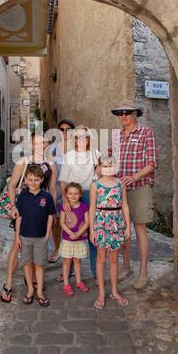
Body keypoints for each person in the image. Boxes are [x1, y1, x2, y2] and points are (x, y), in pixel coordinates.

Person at [0, 132, 57, 303]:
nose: (40, 144)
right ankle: (8, 282)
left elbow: (52, 189)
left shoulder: (51, 164)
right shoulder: (23, 162)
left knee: (37, 242)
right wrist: (14, 206)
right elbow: (11, 186)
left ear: (46, 144)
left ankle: (31, 279)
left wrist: (52, 213)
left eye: (43, 142)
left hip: (41, 208)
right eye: (37, 142)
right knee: (17, 245)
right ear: (31, 144)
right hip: (24, 207)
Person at [110, 100, 159, 290]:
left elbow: (152, 162)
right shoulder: (115, 136)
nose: (123, 116)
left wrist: (134, 177)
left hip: (140, 186)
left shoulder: (146, 133)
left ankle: (144, 272)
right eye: (120, 112)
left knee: (140, 229)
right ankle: (126, 267)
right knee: (123, 229)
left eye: (127, 112)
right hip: (119, 188)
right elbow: (109, 160)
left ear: (135, 114)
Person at [59, 125, 101, 282]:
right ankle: (68, 271)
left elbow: (101, 174)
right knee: (71, 230)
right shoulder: (69, 156)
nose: (81, 139)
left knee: (92, 232)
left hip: (90, 195)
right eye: (78, 137)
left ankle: (96, 272)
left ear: (89, 138)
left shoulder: (96, 154)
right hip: (72, 195)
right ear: (74, 140)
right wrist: (65, 199)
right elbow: (63, 179)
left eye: (84, 136)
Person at [89, 156, 130, 309]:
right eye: (105, 165)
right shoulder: (95, 185)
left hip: (116, 222)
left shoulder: (120, 184)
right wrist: (92, 230)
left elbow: (125, 205)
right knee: (101, 259)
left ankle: (114, 291)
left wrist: (127, 226)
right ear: (99, 167)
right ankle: (101, 292)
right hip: (101, 222)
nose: (108, 167)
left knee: (114, 259)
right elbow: (92, 208)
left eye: (111, 164)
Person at [15, 165, 56, 307]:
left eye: (36, 180)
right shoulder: (22, 196)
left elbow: (51, 215)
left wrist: (47, 233)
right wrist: (16, 237)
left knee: (39, 264)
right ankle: (30, 290)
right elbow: (19, 217)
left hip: (40, 237)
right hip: (25, 236)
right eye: (30, 179)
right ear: (25, 180)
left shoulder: (47, 196)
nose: (33, 182)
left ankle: (39, 291)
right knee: (27, 263)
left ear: (42, 180)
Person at [46, 119, 75, 264]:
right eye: (62, 129)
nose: (65, 132)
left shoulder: (77, 148)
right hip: (56, 188)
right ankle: (57, 248)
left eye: (68, 129)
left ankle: (70, 254)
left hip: (73, 190)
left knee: (72, 221)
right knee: (56, 222)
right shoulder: (52, 149)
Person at [59, 182, 89, 296]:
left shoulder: (84, 206)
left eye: (76, 193)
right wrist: (71, 233)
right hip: (68, 239)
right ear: (66, 195)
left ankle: (78, 281)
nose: (73, 196)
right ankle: (66, 284)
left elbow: (87, 222)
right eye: (70, 193)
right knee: (67, 262)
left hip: (79, 239)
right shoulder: (64, 207)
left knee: (77, 261)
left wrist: (78, 233)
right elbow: (62, 222)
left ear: (80, 194)